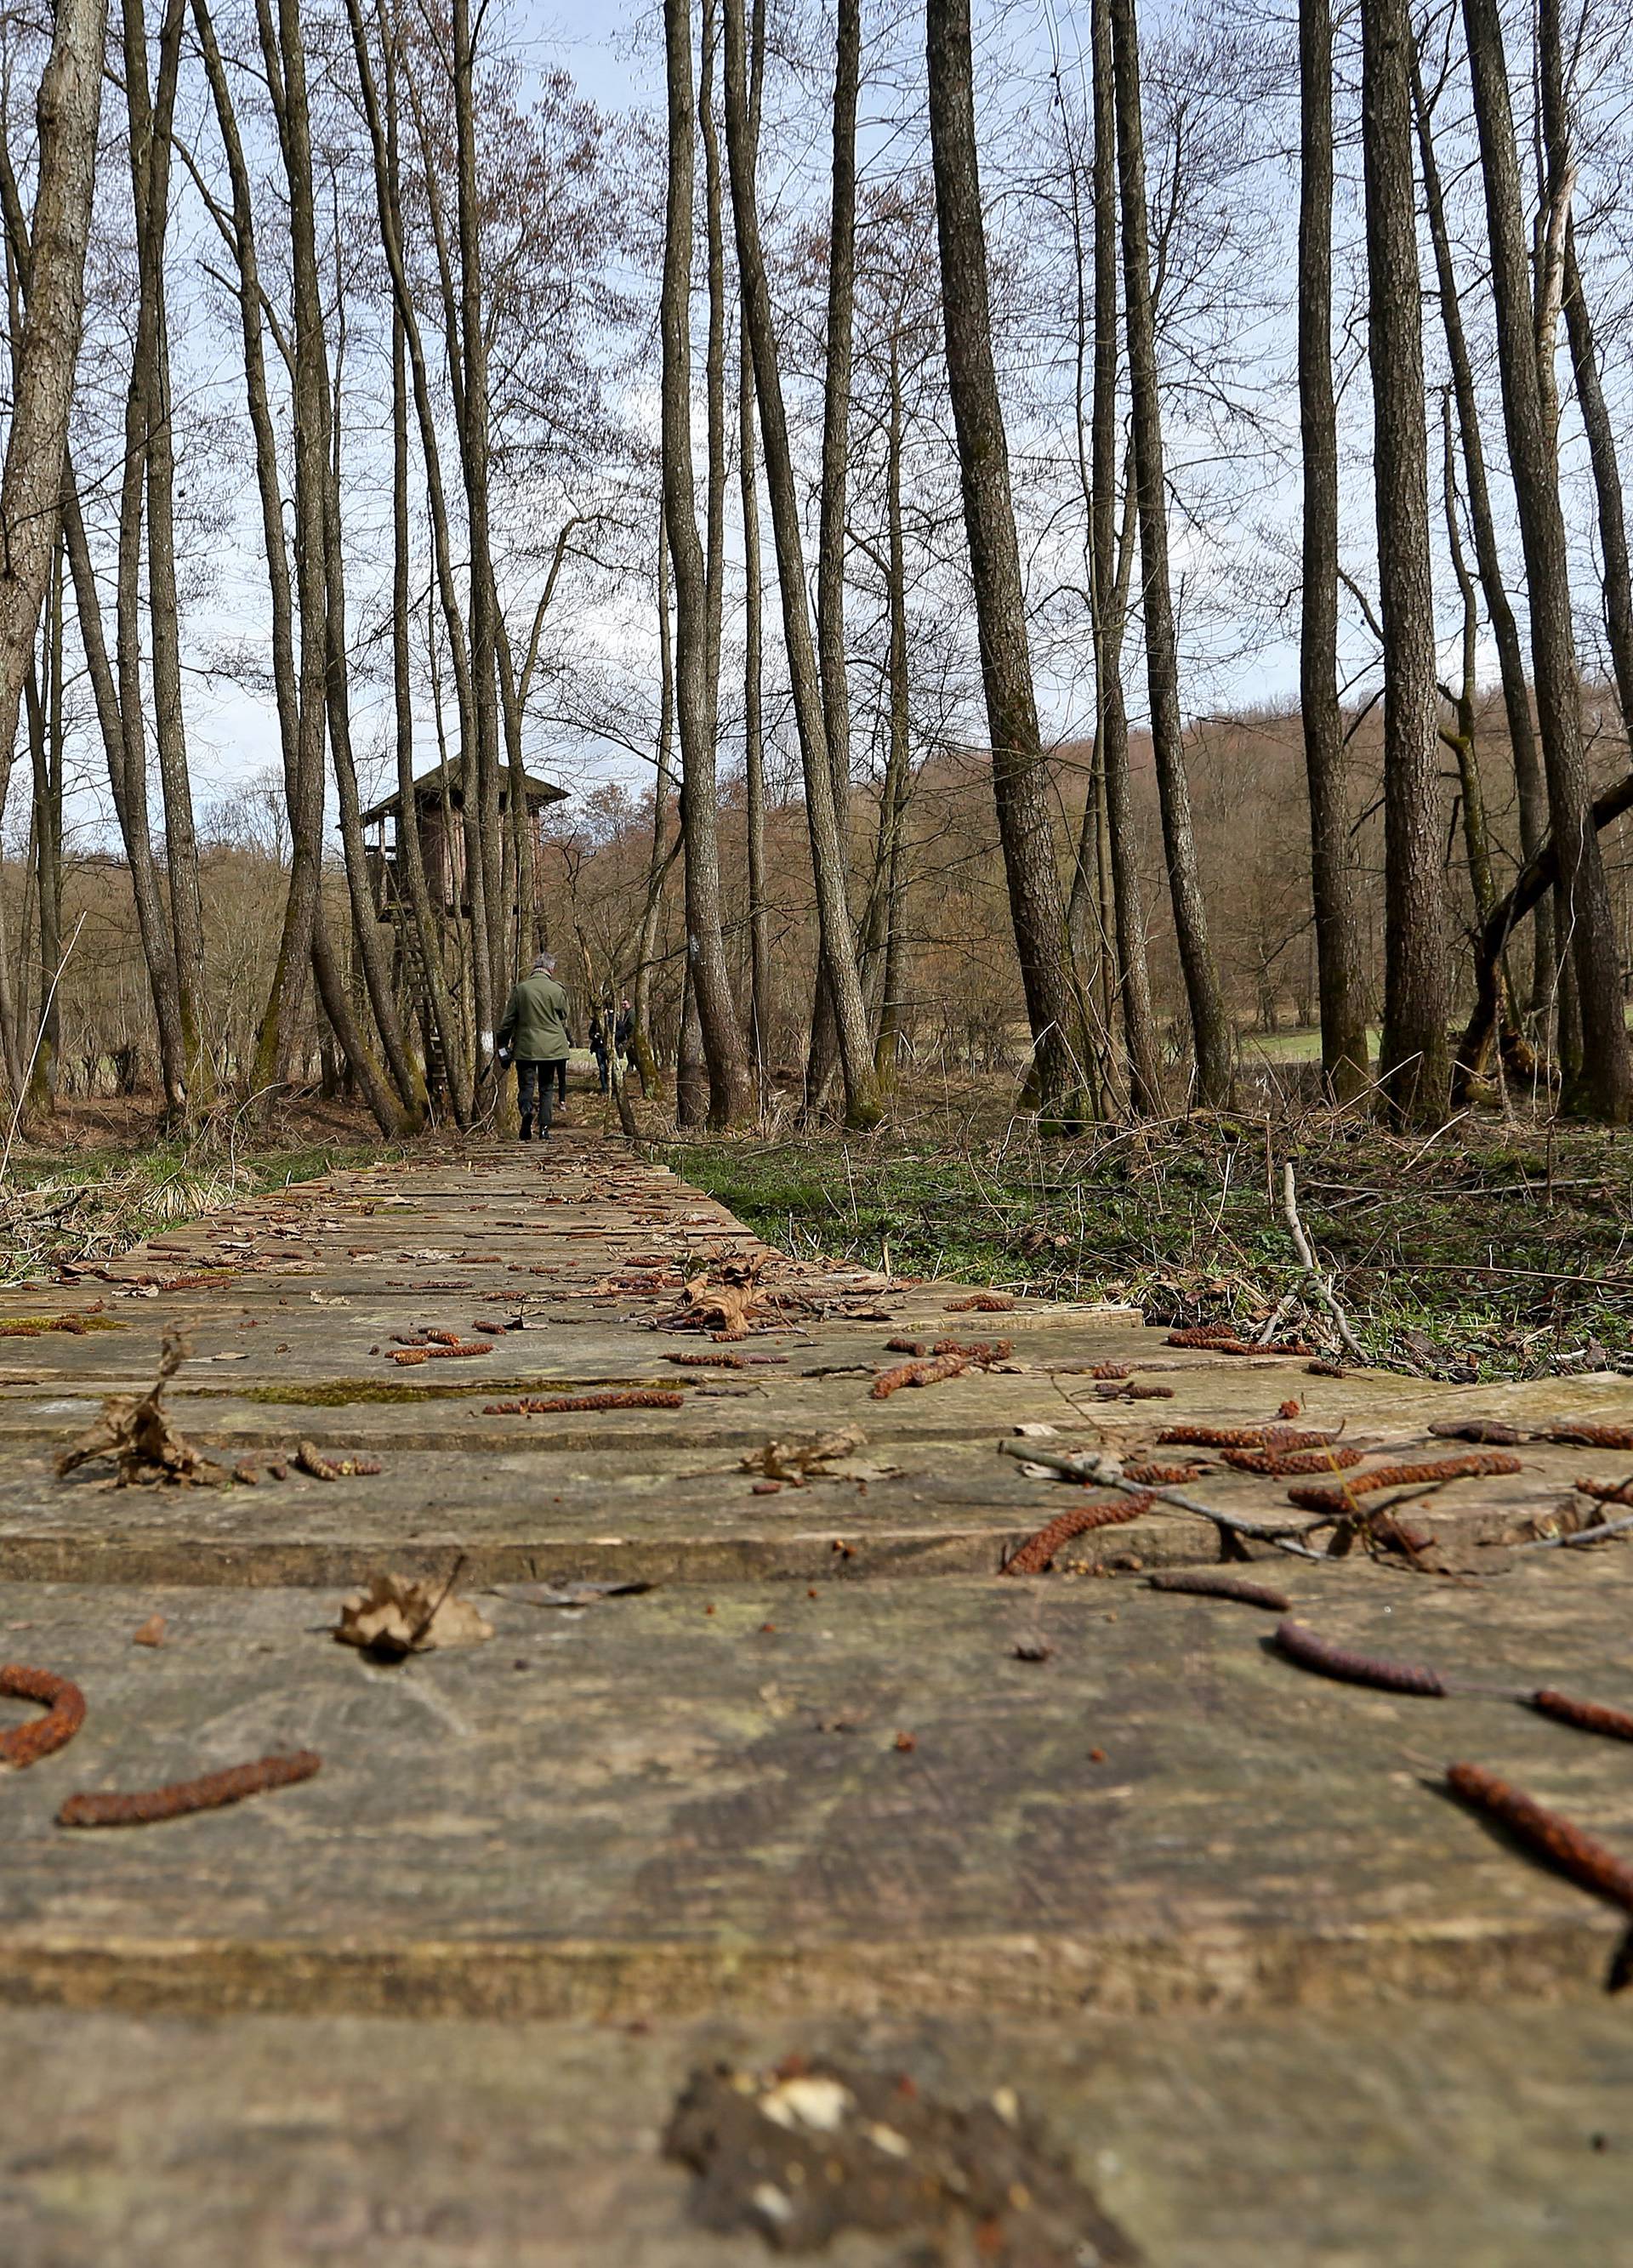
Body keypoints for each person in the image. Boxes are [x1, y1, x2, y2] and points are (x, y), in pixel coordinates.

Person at [496, 951, 572, 1140]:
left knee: (526, 1086)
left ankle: (526, 1111)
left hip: (526, 1047)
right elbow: (564, 1014)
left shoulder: (521, 989)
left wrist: (502, 1043)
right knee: (546, 1087)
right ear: (551, 969)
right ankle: (544, 1129)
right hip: (552, 1048)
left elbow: (508, 1021)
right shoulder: (557, 990)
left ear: (534, 967)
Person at [589, 1003, 610, 1094]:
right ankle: (604, 1089)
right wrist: (595, 1036)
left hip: (608, 1047)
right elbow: (590, 1034)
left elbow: (620, 1032)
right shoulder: (596, 1022)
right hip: (599, 1048)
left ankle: (611, 1088)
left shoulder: (611, 1020)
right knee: (602, 1069)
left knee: (610, 1069)